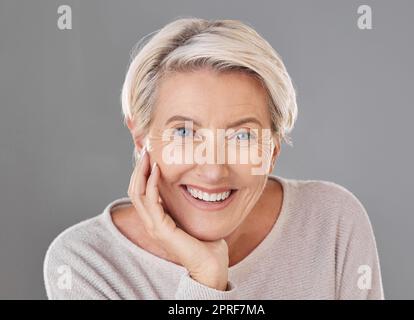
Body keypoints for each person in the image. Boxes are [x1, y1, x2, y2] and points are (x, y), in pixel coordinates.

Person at [43, 17, 384, 299]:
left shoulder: (331, 221)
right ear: (141, 138)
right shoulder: (86, 263)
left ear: (273, 150)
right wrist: (205, 280)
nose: (213, 169)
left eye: (242, 136)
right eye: (185, 132)